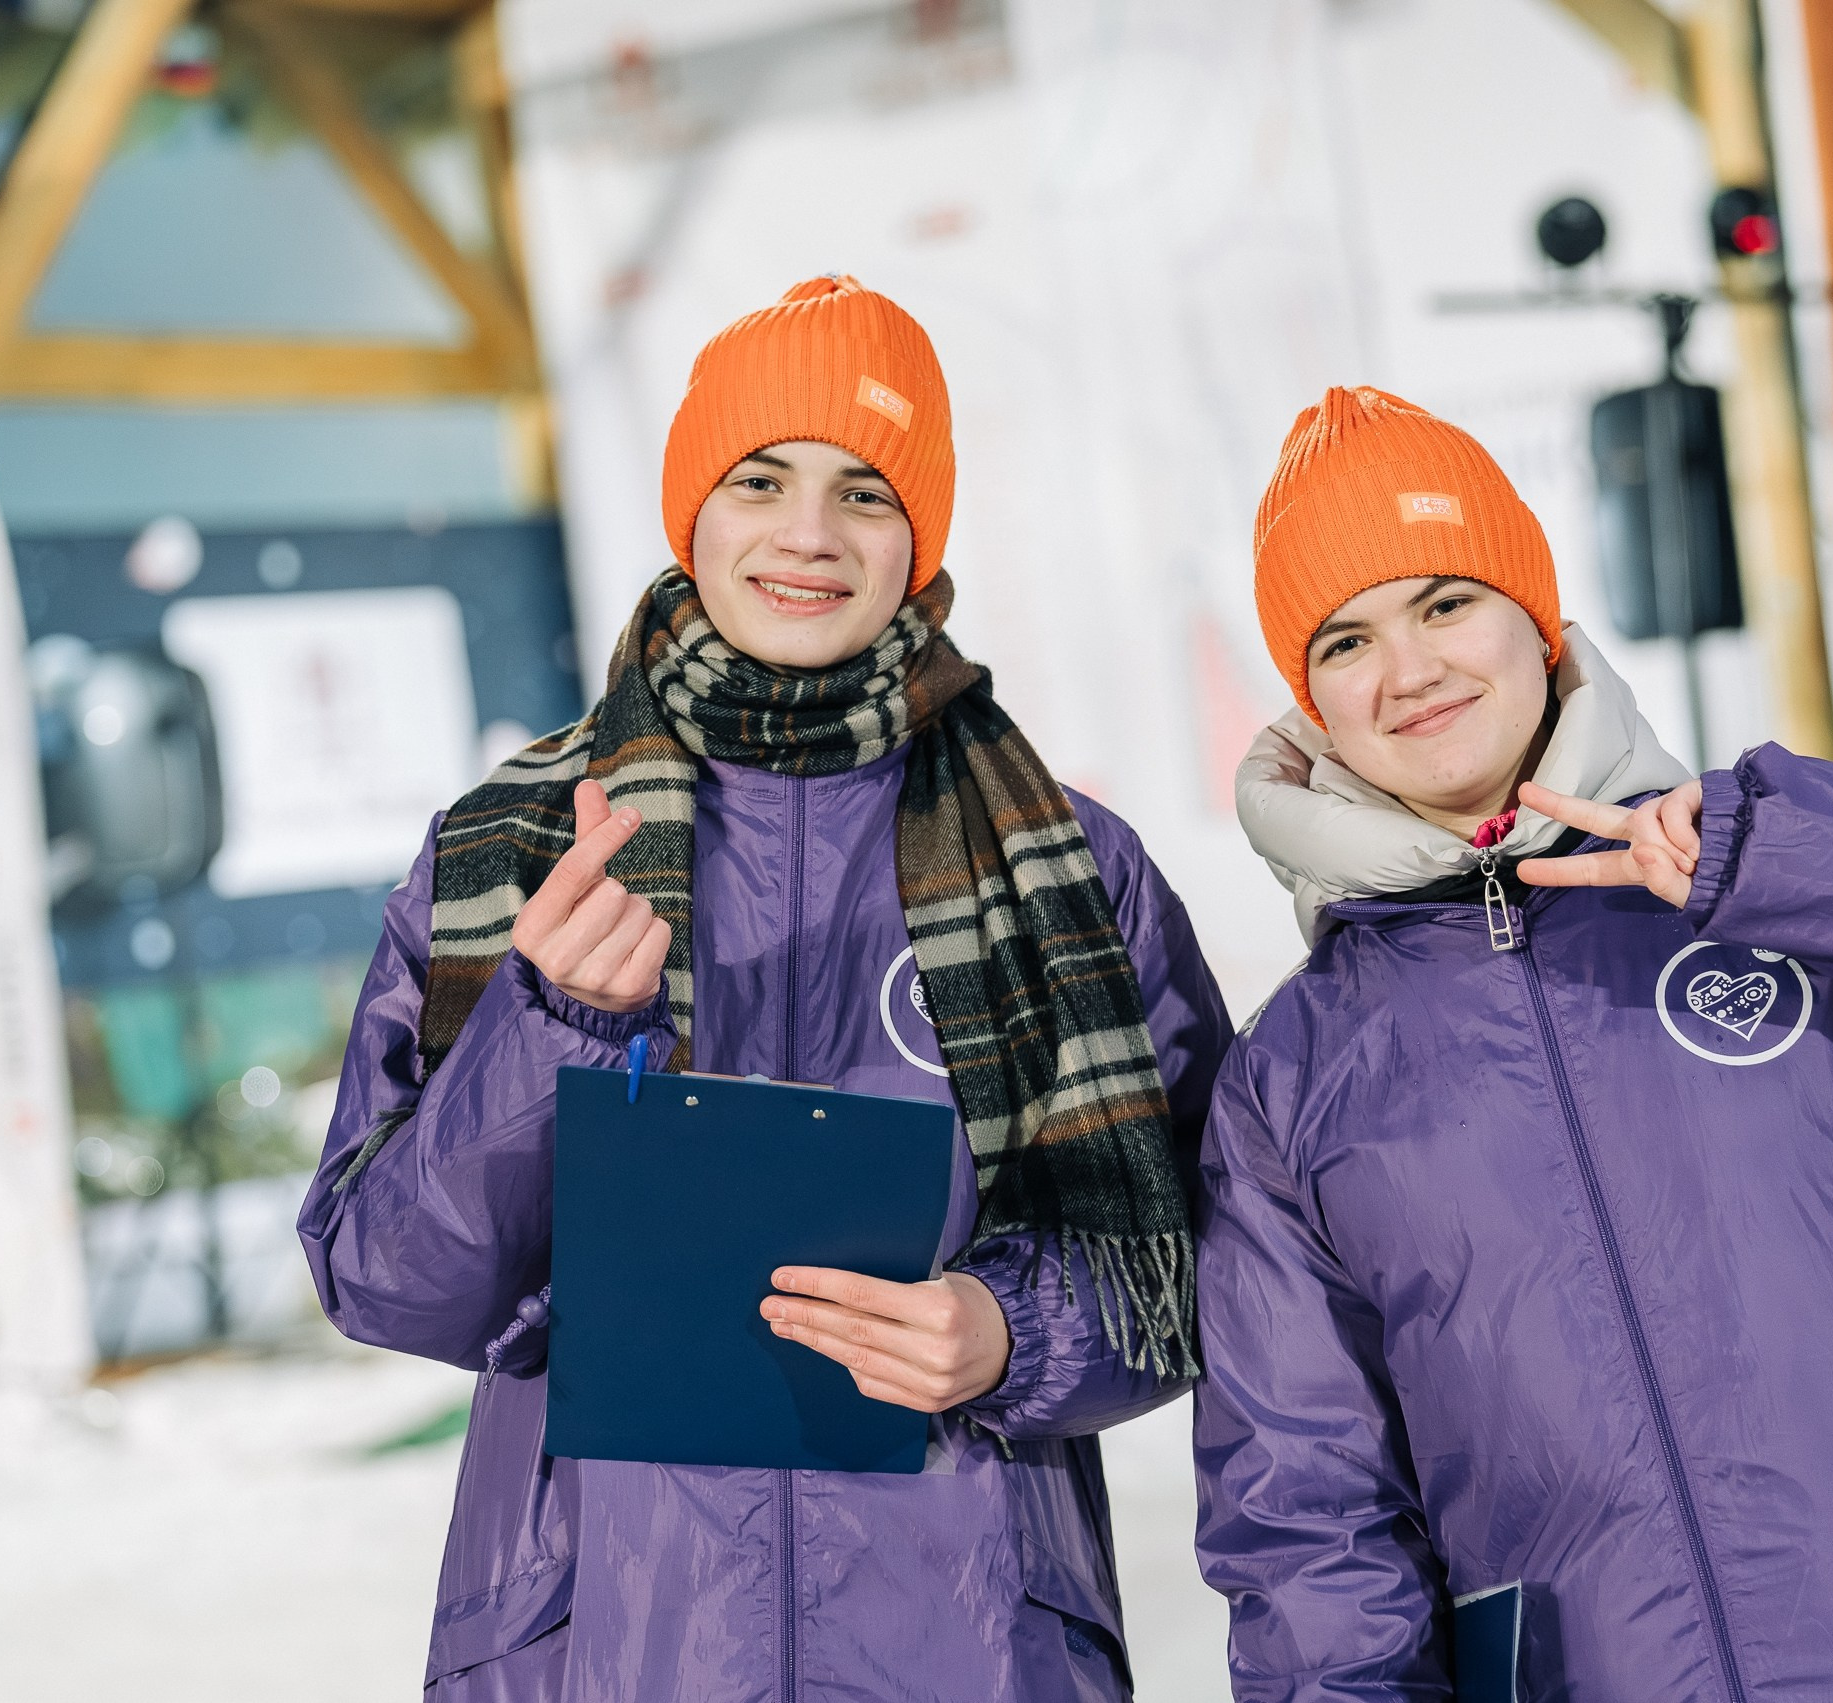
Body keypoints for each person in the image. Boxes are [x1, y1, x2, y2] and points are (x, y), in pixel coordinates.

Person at [1190, 385, 1833, 1702]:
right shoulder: (1298, 1076)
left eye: (1446, 602)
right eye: (1346, 640)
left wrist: (1791, 857)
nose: (1409, 672)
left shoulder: (1789, 882)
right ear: (1310, 700)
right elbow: (1309, 1531)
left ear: (1536, 620)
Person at [300, 276, 1230, 1701]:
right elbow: (386, 1280)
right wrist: (541, 1034)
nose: (808, 534)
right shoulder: (514, 849)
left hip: (972, 1644)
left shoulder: (1066, 864)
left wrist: (1012, 1334)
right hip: (602, 1649)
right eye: (759, 480)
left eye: (866, 492)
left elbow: (1200, 1259)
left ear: (918, 539)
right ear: (695, 513)